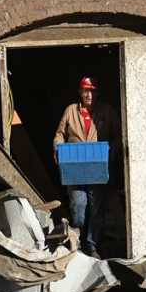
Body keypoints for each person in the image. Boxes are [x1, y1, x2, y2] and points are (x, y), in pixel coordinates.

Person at [53, 77, 118, 258]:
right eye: (85, 91)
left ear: (97, 93)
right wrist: (58, 148)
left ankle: (91, 245)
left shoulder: (107, 111)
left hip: (97, 166)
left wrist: (111, 151)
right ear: (80, 92)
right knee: (79, 208)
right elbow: (60, 134)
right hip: (75, 167)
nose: (88, 95)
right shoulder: (71, 111)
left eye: (92, 91)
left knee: (96, 208)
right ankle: (78, 240)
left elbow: (118, 135)